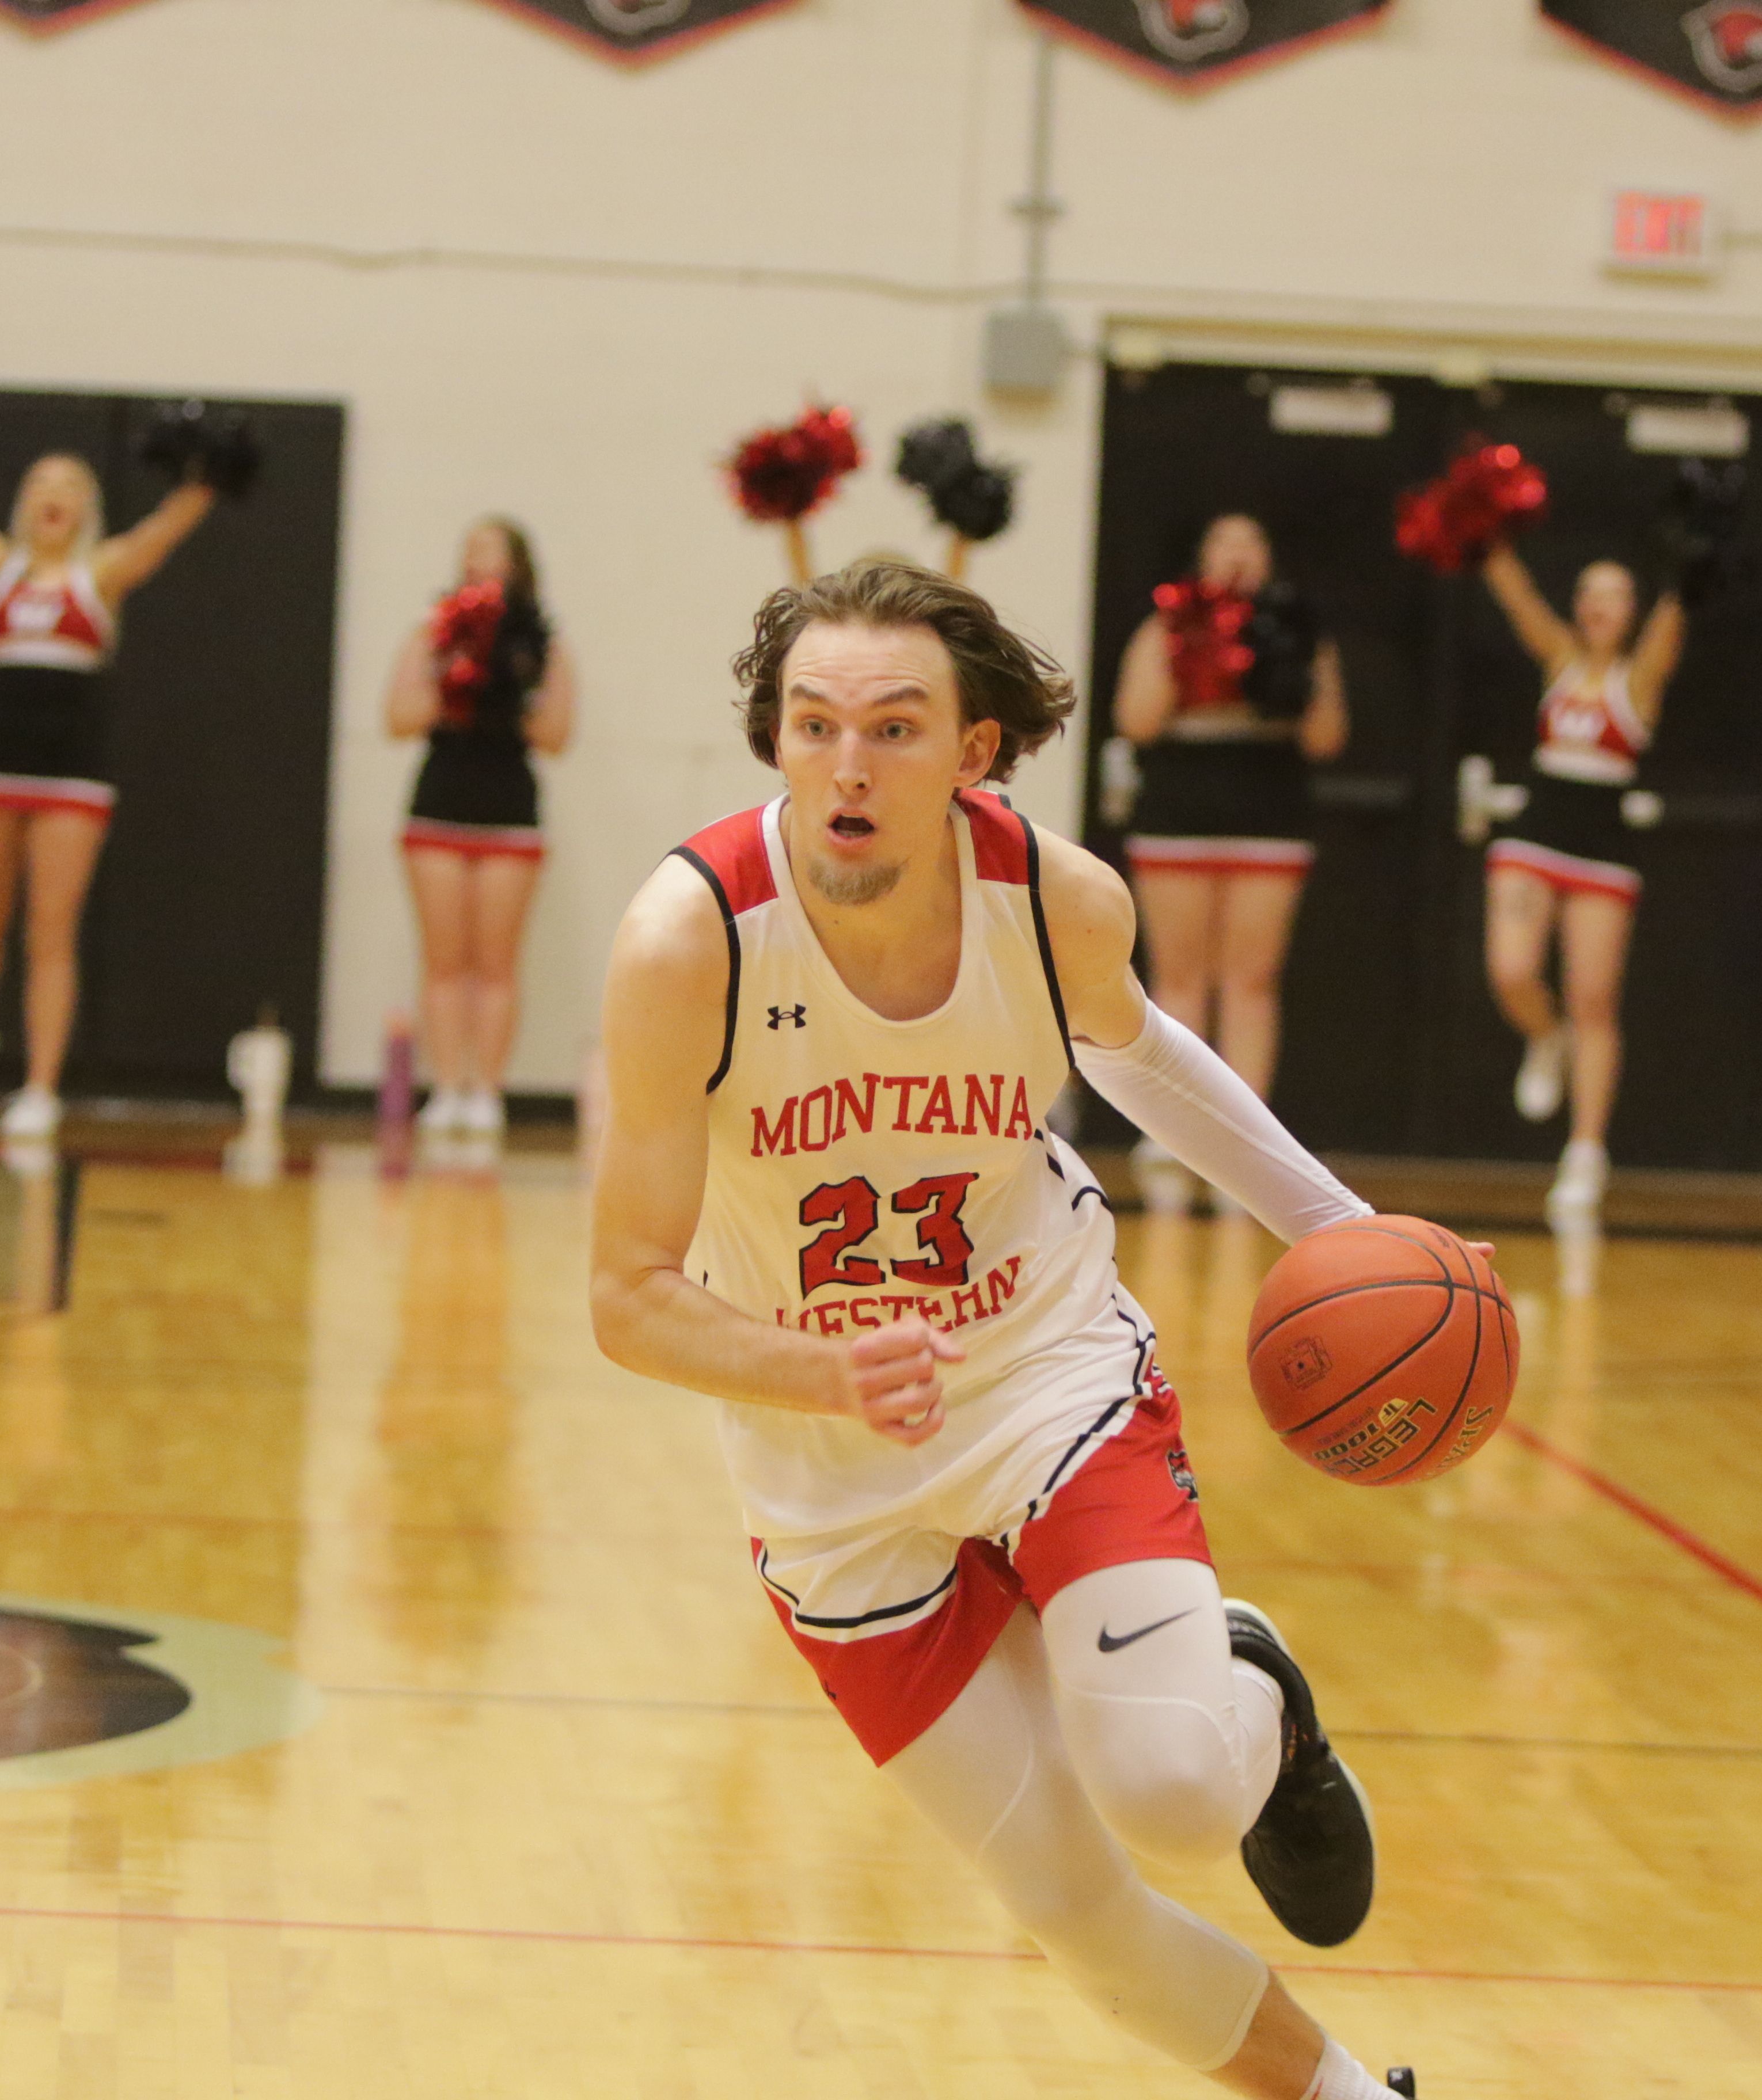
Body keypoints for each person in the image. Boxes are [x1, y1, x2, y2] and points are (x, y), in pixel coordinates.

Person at [589, 557, 1412, 2100]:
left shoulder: (1052, 900)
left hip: (1046, 1377)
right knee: (1081, 1921)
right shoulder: (687, 942)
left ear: (973, 753)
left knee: (1170, 1788)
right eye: (816, 723)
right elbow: (625, 1297)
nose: (850, 764)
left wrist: (1352, 1239)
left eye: (896, 729)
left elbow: (1154, 1066)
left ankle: (1265, 1712)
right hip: (830, 1482)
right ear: (774, 739)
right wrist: (817, 1368)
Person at [0, 448, 215, 1143]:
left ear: (86, 509)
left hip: (71, 774)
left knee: (51, 931)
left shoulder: (104, 571)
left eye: (69, 487)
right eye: (41, 484)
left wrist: (209, 479)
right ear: (24, 503)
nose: (54, 495)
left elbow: (166, 530)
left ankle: (41, 1086)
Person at [1111, 514, 1350, 1211]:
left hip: (1268, 810)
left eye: (1253, 543)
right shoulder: (1166, 623)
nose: (1239, 556)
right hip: (1179, 809)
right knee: (1178, 978)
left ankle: (1247, 1144)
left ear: (1269, 560)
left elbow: (1328, 735)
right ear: (1202, 557)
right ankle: (1170, 1131)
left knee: (1251, 980)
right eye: (1224, 544)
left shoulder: (1301, 628)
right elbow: (1137, 719)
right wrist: (1198, 651)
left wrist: (1283, 663)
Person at [1474, 541, 1683, 1226]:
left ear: (1633, 612)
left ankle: (1586, 1152)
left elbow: (1675, 619)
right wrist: (1486, 533)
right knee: (1512, 972)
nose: (1599, 605)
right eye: (1590, 591)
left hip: (1601, 851)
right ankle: (1545, 1037)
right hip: (1535, 836)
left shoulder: (1640, 680)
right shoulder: (1560, 659)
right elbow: (1516, 595)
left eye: (1616, 594)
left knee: (1595, 998)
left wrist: (1688, 567)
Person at [385, 517, 578, 1142]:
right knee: (444, 961)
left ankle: (487, 1094)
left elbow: (557, 734)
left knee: (496, 963)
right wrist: (455, 687)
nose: (477, 563)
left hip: (510, 814)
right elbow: (397, 717)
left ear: (518, 566)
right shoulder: (434, 632)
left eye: (490, 553)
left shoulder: (542, 643)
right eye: (468, 552)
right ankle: (446, 1090)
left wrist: (505, 696)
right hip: (439, 805)